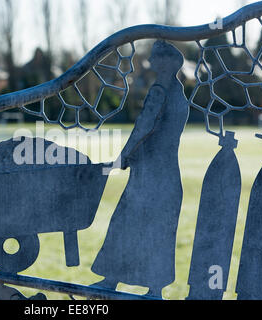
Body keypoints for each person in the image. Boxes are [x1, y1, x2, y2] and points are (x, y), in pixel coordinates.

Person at [91, 40, 189, 297]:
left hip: (149, 174)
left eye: (156, 59)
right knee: (159, 230)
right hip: (168, 173)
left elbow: (144, 127)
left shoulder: (160, 90)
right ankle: (154, 289)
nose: (152, 63)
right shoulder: (179, 92)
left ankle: (110, 280)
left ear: (165, 62)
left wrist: (122, 157)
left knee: (125, 223)